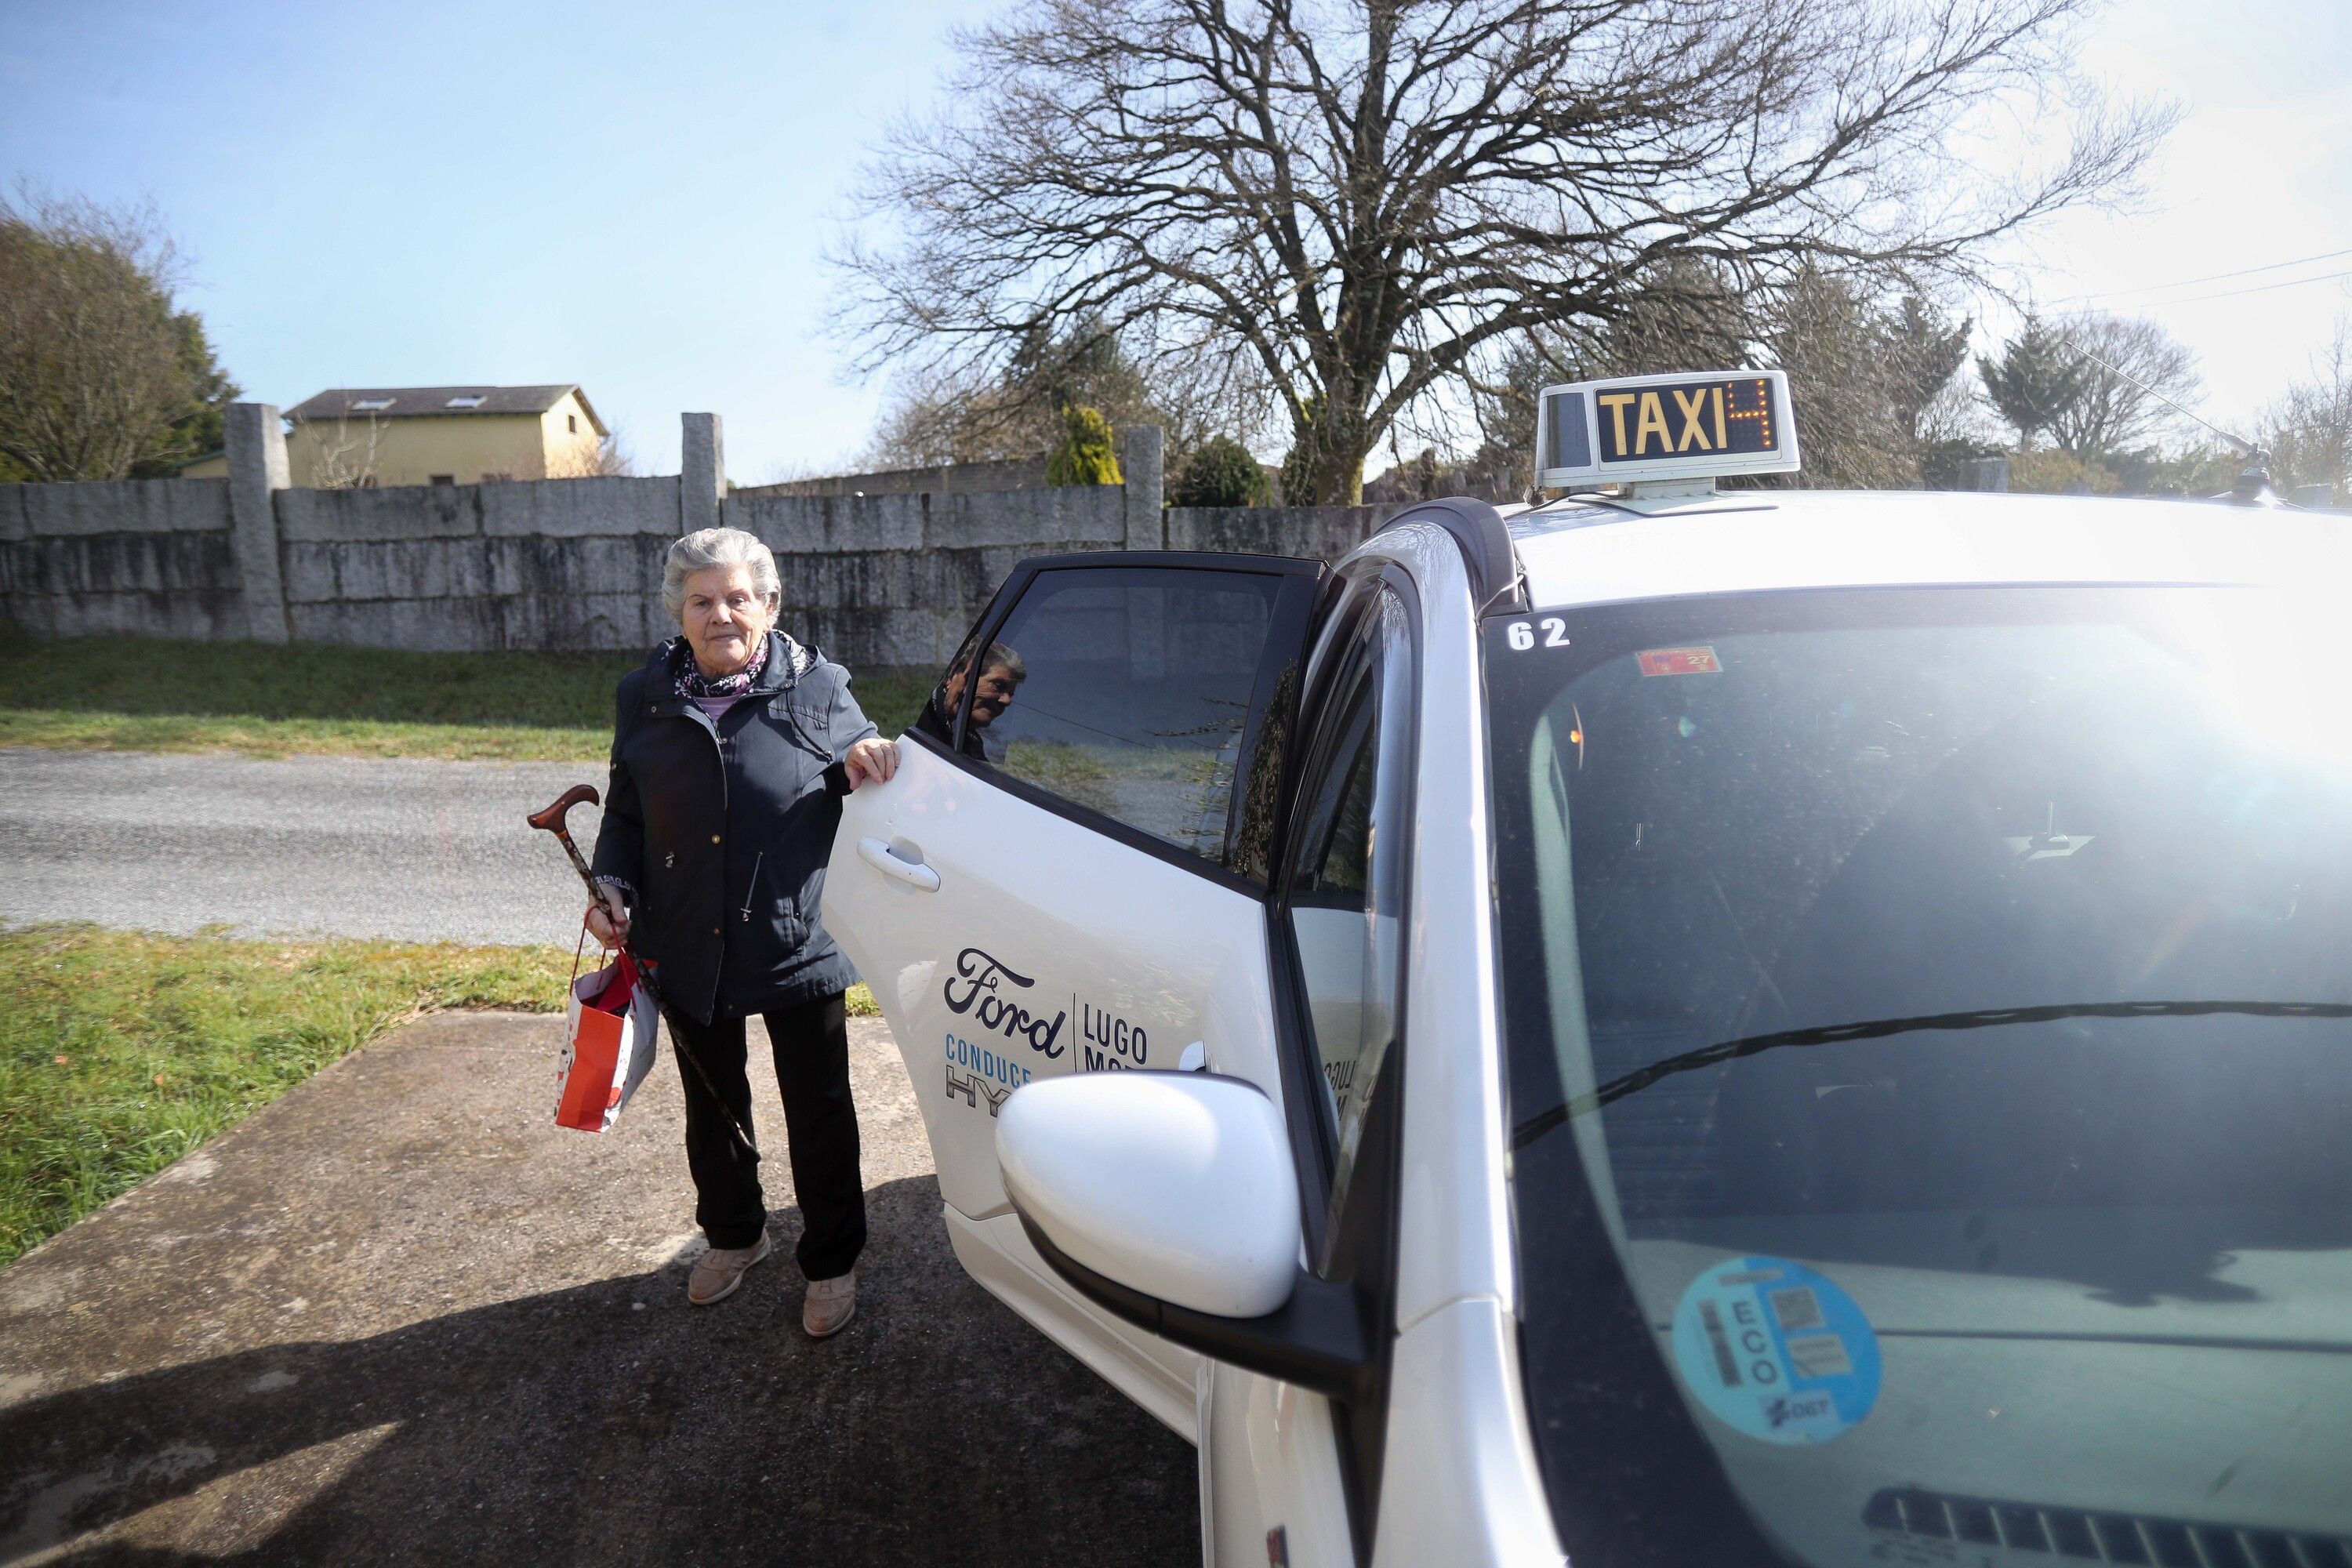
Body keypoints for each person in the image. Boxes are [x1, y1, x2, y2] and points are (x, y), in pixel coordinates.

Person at [586, 526, 898, 1337]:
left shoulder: (819, 686)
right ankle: (735, 1234)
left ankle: (831, 1257)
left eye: (737, 597)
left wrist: (865, 755)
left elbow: (857, 763)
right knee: (713, 1101)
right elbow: (625, 810)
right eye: (702, 600)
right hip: (686, 933)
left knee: (819, 1106)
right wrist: (611, 884)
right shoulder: (643, 695)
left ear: (768, 604)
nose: (721, 613)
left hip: (796, 934)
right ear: (678, 612)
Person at [911, 639, 1025, 760]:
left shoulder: (972, 743)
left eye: (1011, 694)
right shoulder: (916, 721)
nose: (1007, 701)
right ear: (956, 674)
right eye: (998, 686)